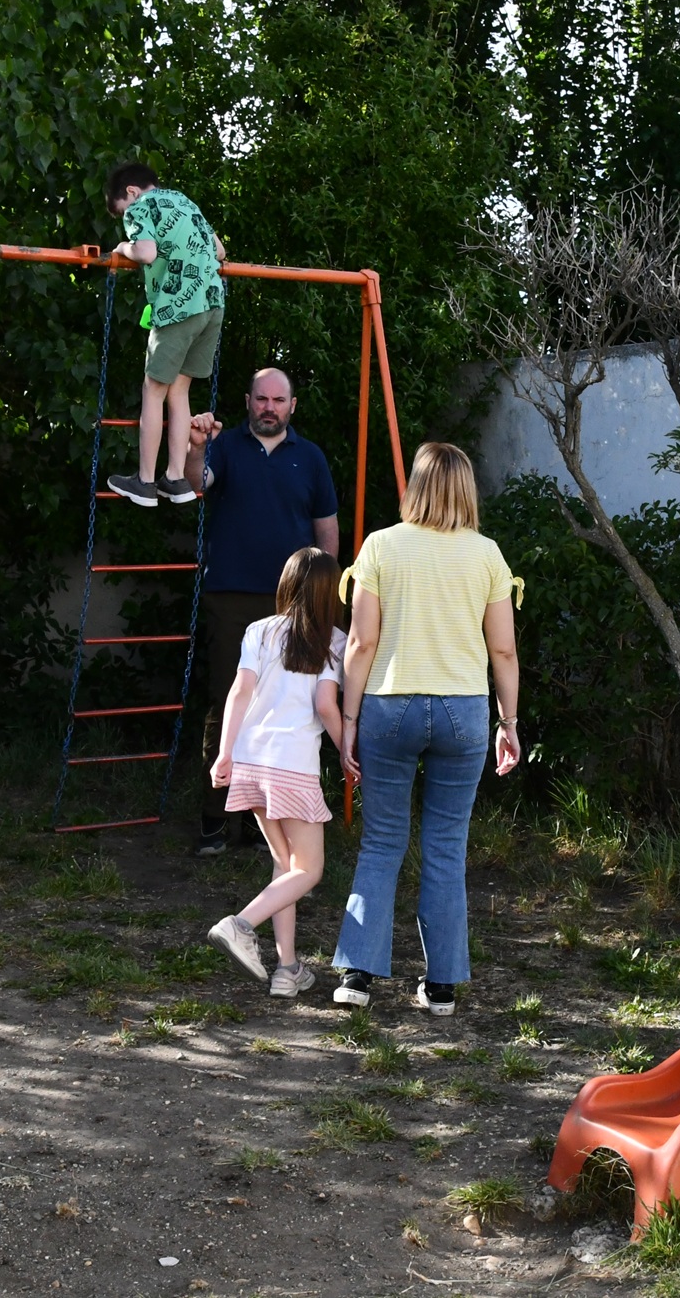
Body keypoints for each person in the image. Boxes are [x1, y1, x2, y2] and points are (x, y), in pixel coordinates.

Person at [330, 443, 521, 1016]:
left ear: (415, 486)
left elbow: (361, 643)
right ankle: (440, 987)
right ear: (466, 489)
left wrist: (347, 719)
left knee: (382, 841)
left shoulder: (381, 546)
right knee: (446, 846)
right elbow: (504, 649)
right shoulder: (487, 554)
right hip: (463, 712)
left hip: (390, 708)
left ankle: (356, 978)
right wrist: (508, 723)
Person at [181, 368, 341, 854]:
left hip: (296, 601)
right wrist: (192, 446)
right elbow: (196, 483)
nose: (269, 407)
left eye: (279, 400)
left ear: (292, 406)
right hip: (232, 595)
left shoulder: (310, 458)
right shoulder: (225, 445)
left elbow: (326, 530)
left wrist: (329, 597)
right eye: (261, 399)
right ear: (248, 401)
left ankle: (258, 816)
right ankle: (215, 818)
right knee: (228, 701)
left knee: (285, 707)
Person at [204, 549, 347, 998]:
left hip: (252, 761)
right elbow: (326, 706)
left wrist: (224, 753)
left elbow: (240, 690)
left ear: (287, 585)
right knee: (310, 870)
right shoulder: (334, 640)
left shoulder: (260, 630)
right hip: (293, 767)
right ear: (331, 594)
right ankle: (241, 924)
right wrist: (347, 752)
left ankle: (287, 970)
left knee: (285, 864)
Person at [103, 162, 227, 507]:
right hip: (212, 303)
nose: (127, 216)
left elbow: (145, 252)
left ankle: (144, 481)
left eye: (122, 211)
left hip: (178, 306)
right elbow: (219, 251)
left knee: (153, 390)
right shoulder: (185, 202)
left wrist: (121, 248)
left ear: (131, 192)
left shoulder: (143, 206)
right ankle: (175, 478)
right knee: (179, 391)